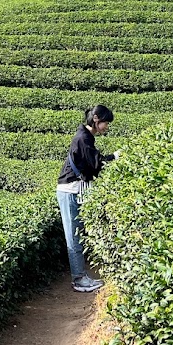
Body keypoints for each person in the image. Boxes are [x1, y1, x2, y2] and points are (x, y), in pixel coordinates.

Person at [57, 104, 116, 292]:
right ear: (96, 119)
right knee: (73, 237)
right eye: (106, 122)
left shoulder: (87, 138)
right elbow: (98, 164)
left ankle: (81, 276)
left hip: (74, 190)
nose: (106, 127)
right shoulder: (83, 139)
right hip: (69, 191)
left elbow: (93, 164)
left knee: (78, 234)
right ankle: (79, 280)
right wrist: (115, 158)